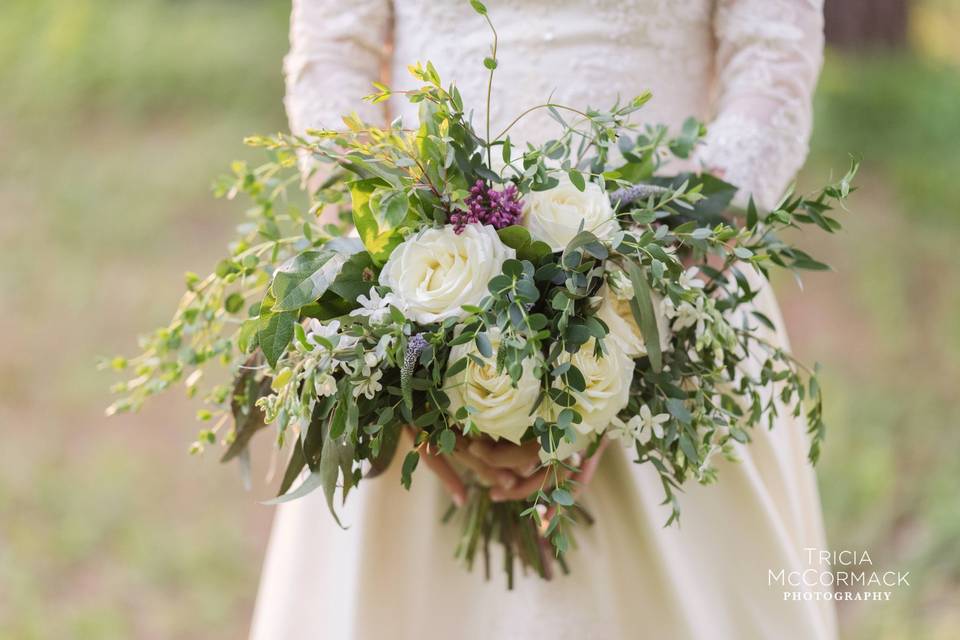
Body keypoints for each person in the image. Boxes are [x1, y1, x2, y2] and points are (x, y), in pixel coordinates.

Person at [251, 1, 837, 638]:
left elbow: (772, 59)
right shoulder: (407, 310)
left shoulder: (662, 298)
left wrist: (646, 306)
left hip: (671, 295)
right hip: (421, 285)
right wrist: (398, 328)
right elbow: (335, 53)